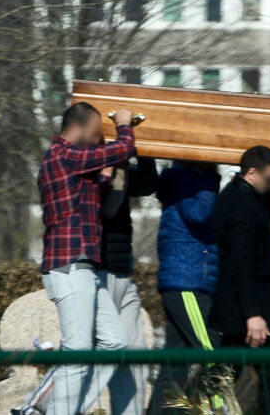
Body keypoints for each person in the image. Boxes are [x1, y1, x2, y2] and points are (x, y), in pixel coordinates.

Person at [19, 102, 135, 415]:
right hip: (69, 266)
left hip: (84, 266)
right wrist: (124, 125)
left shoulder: (75, 163)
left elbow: (89, 207)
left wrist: (105, 179)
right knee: (78, 353)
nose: (99, 141)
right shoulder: (63, 155)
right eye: (96, 134)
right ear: (79, 128)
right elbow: (123, 149)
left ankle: (56, 408)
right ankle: (46, 409)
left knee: (113, 343)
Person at [210, 145, 270, 415]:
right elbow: (241, 264)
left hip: (243, 305)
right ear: (251, 173)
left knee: (225, 377)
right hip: (250, 307)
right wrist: (253, 314)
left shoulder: (242, 197)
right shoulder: (241, 206)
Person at [148, 161, 222, 414]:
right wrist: (212, 178)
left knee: (173, 367)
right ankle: (223, 409)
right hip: (188, 285)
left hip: (181, 283)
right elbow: (201, 213)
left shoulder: (182, 181)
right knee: (214, 356)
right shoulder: (190, 182)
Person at [99, 156, 158, 415]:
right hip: (98, 273)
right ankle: (39, 407)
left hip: (122, 272)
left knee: (135, 356)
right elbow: (109, 208)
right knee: (90, 359)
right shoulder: (89, 167)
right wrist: (117, 165)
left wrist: (146, 151)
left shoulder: (117, 171)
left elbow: (147, 185)